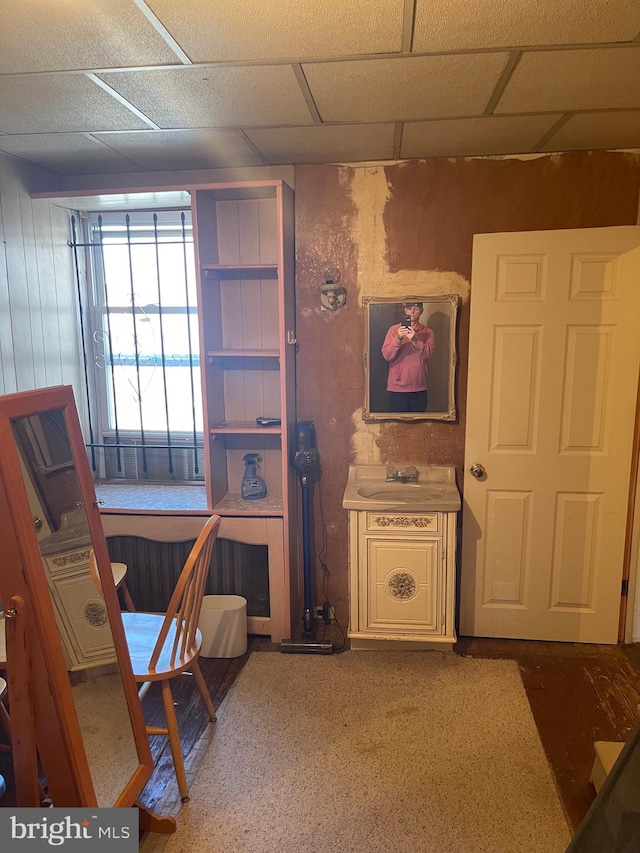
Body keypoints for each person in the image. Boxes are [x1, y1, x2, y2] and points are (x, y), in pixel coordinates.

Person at [381, 302, 434, 412]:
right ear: (405, 310)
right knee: (397, 426)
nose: (412, 311)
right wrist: (398, 337)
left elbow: (429, 353)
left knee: (419, 425)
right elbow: (387, 355)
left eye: (416, 308)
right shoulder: (393, 330)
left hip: (419, 386)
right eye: (409, 308)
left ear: (422, 311)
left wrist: (415, 341)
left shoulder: (428, 332)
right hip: (397, 387)